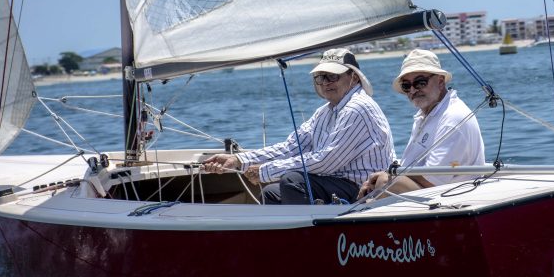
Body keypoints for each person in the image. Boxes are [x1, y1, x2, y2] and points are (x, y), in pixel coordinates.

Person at [203, 48, 395, 204]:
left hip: (365, 188)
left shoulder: (358, 107)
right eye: (320, 77)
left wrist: (266, 171)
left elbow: (327, 161)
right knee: (271, 193)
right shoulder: (325, 112)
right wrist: (237, 159)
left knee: (292, 181)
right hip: (338, 183)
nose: (325, 83)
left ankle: (315, 235)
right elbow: (291, 147)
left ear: (354, 77)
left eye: (333, 76)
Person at [358, 49, 485, 198]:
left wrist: (386, 175)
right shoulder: (426, 115)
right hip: (436, 195)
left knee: (386, 181)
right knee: (378, 182)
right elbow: (414, 166)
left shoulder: (452, 117)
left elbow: (433, 180)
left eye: (420, 82)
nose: (412, 90)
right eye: (406, 85)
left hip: (454, 197)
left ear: (440, 81)